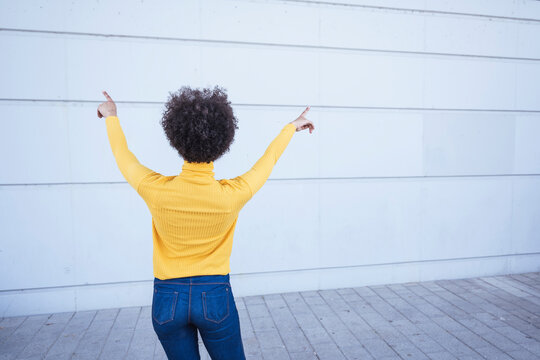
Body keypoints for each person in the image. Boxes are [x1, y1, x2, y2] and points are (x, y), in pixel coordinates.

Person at [97, 86, 314, 360]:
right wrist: (291, 127)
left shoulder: (155, 189)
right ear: (224, 140)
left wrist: (111, 116)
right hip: (214, 297)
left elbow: (123, 157)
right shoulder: (233, 194)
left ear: (176, 137)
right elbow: (267, 161)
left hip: (167, 300)